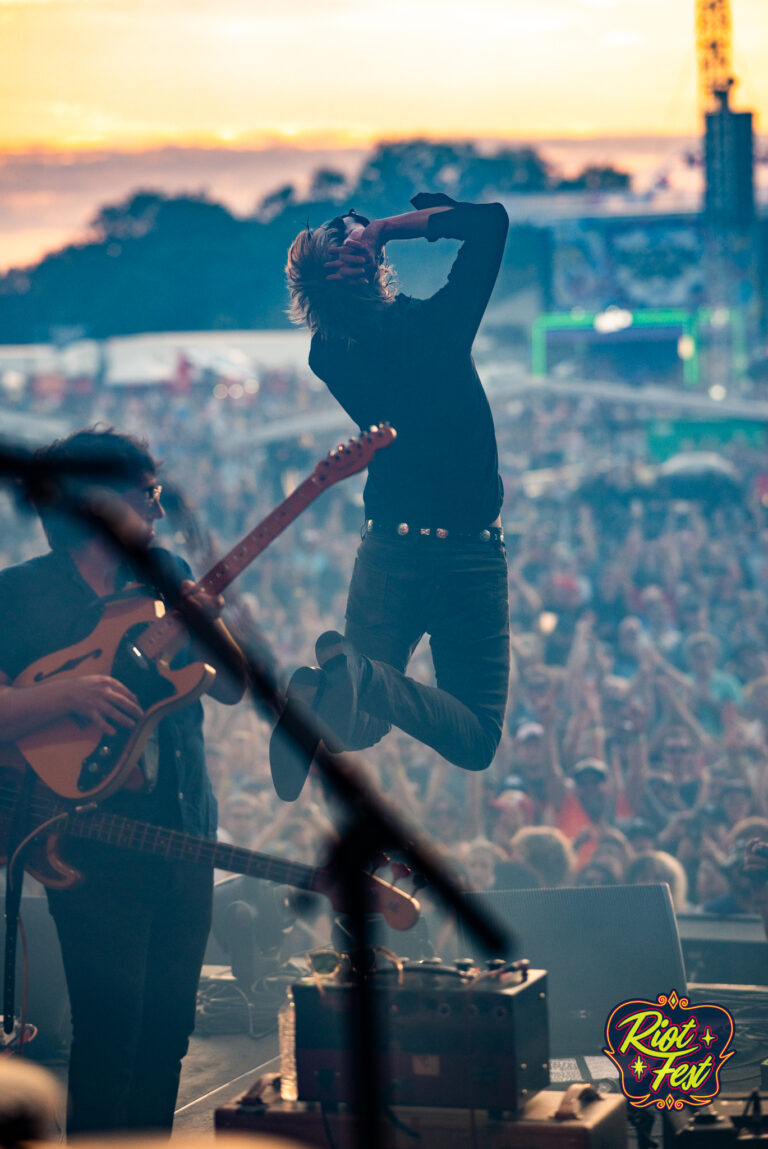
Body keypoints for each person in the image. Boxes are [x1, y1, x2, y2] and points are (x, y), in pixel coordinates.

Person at [0, 428, 246, 1136]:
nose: (160, 512)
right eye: (149, 493)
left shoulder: (164, 572)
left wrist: (211, 625)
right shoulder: (18, 596)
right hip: (87, 844)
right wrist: (66, 695)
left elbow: (233, 685)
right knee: (111, 1037)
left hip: (184, 835)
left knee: (168, 1038)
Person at [271, 194, 511, 800]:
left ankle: (320, 707)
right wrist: (389, 228)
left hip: (390, 551)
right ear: (372, 261)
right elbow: (491, 224)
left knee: (354, 730)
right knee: (477, 737)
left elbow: (343, 316)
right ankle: (363, 683)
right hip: (468, 557)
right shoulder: (440, 328)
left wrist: (348, 255)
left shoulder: (326, 354)